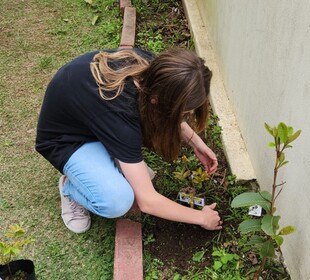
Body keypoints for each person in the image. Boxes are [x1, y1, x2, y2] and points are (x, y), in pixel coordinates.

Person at [35, 47, 223, 234]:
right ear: (157, 100)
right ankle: (70, 188)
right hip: (66, 140)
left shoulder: (158, 70)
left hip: (92, 123)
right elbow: (148, 202)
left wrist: (197, 143)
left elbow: (168, 107)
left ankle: (108, 162)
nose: (186, 115)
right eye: (183, 112)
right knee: (117, 200)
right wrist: (202, 217)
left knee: (140, 175)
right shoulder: (121, 115)